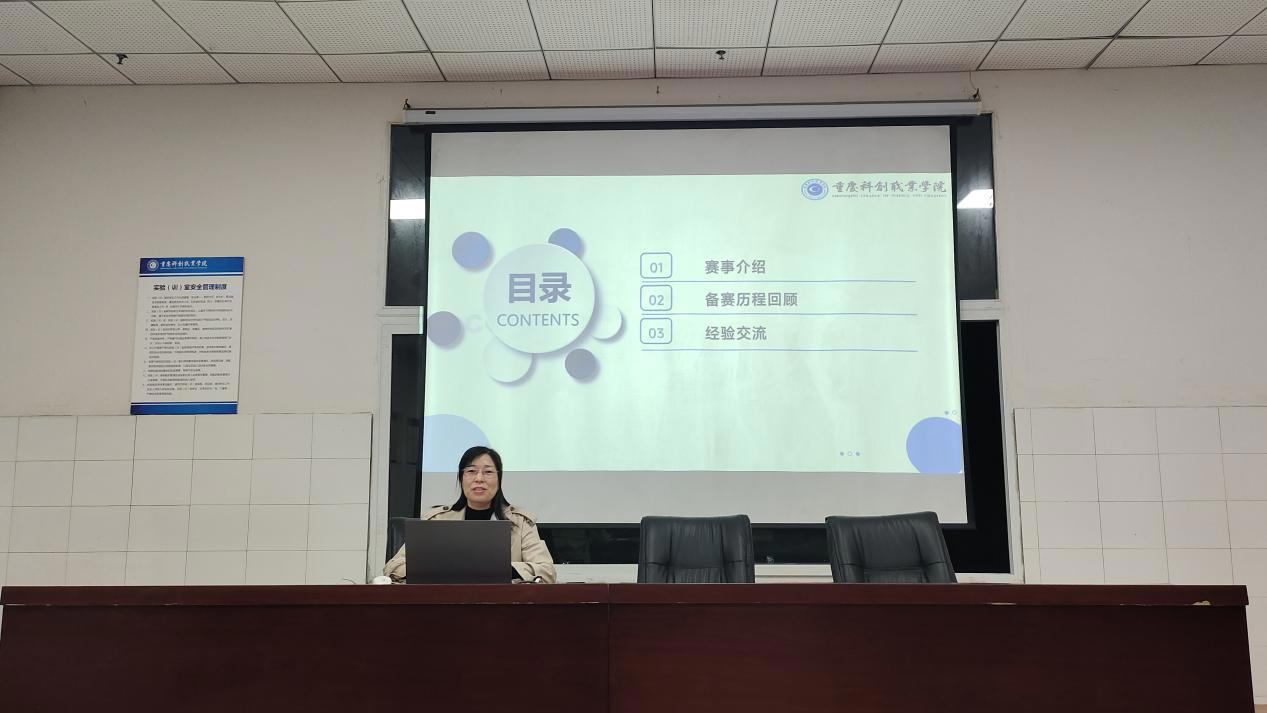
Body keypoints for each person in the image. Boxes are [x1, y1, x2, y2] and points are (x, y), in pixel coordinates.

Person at [384, 446, 556, 583]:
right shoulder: (436, 520)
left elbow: (547, 572)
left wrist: (503, 569)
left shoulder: (520, 523)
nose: (479, 478)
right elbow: (393, 567)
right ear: (461, 478)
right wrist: (437, 569)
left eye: (488, 472)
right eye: (471, 471)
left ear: (499, 479)